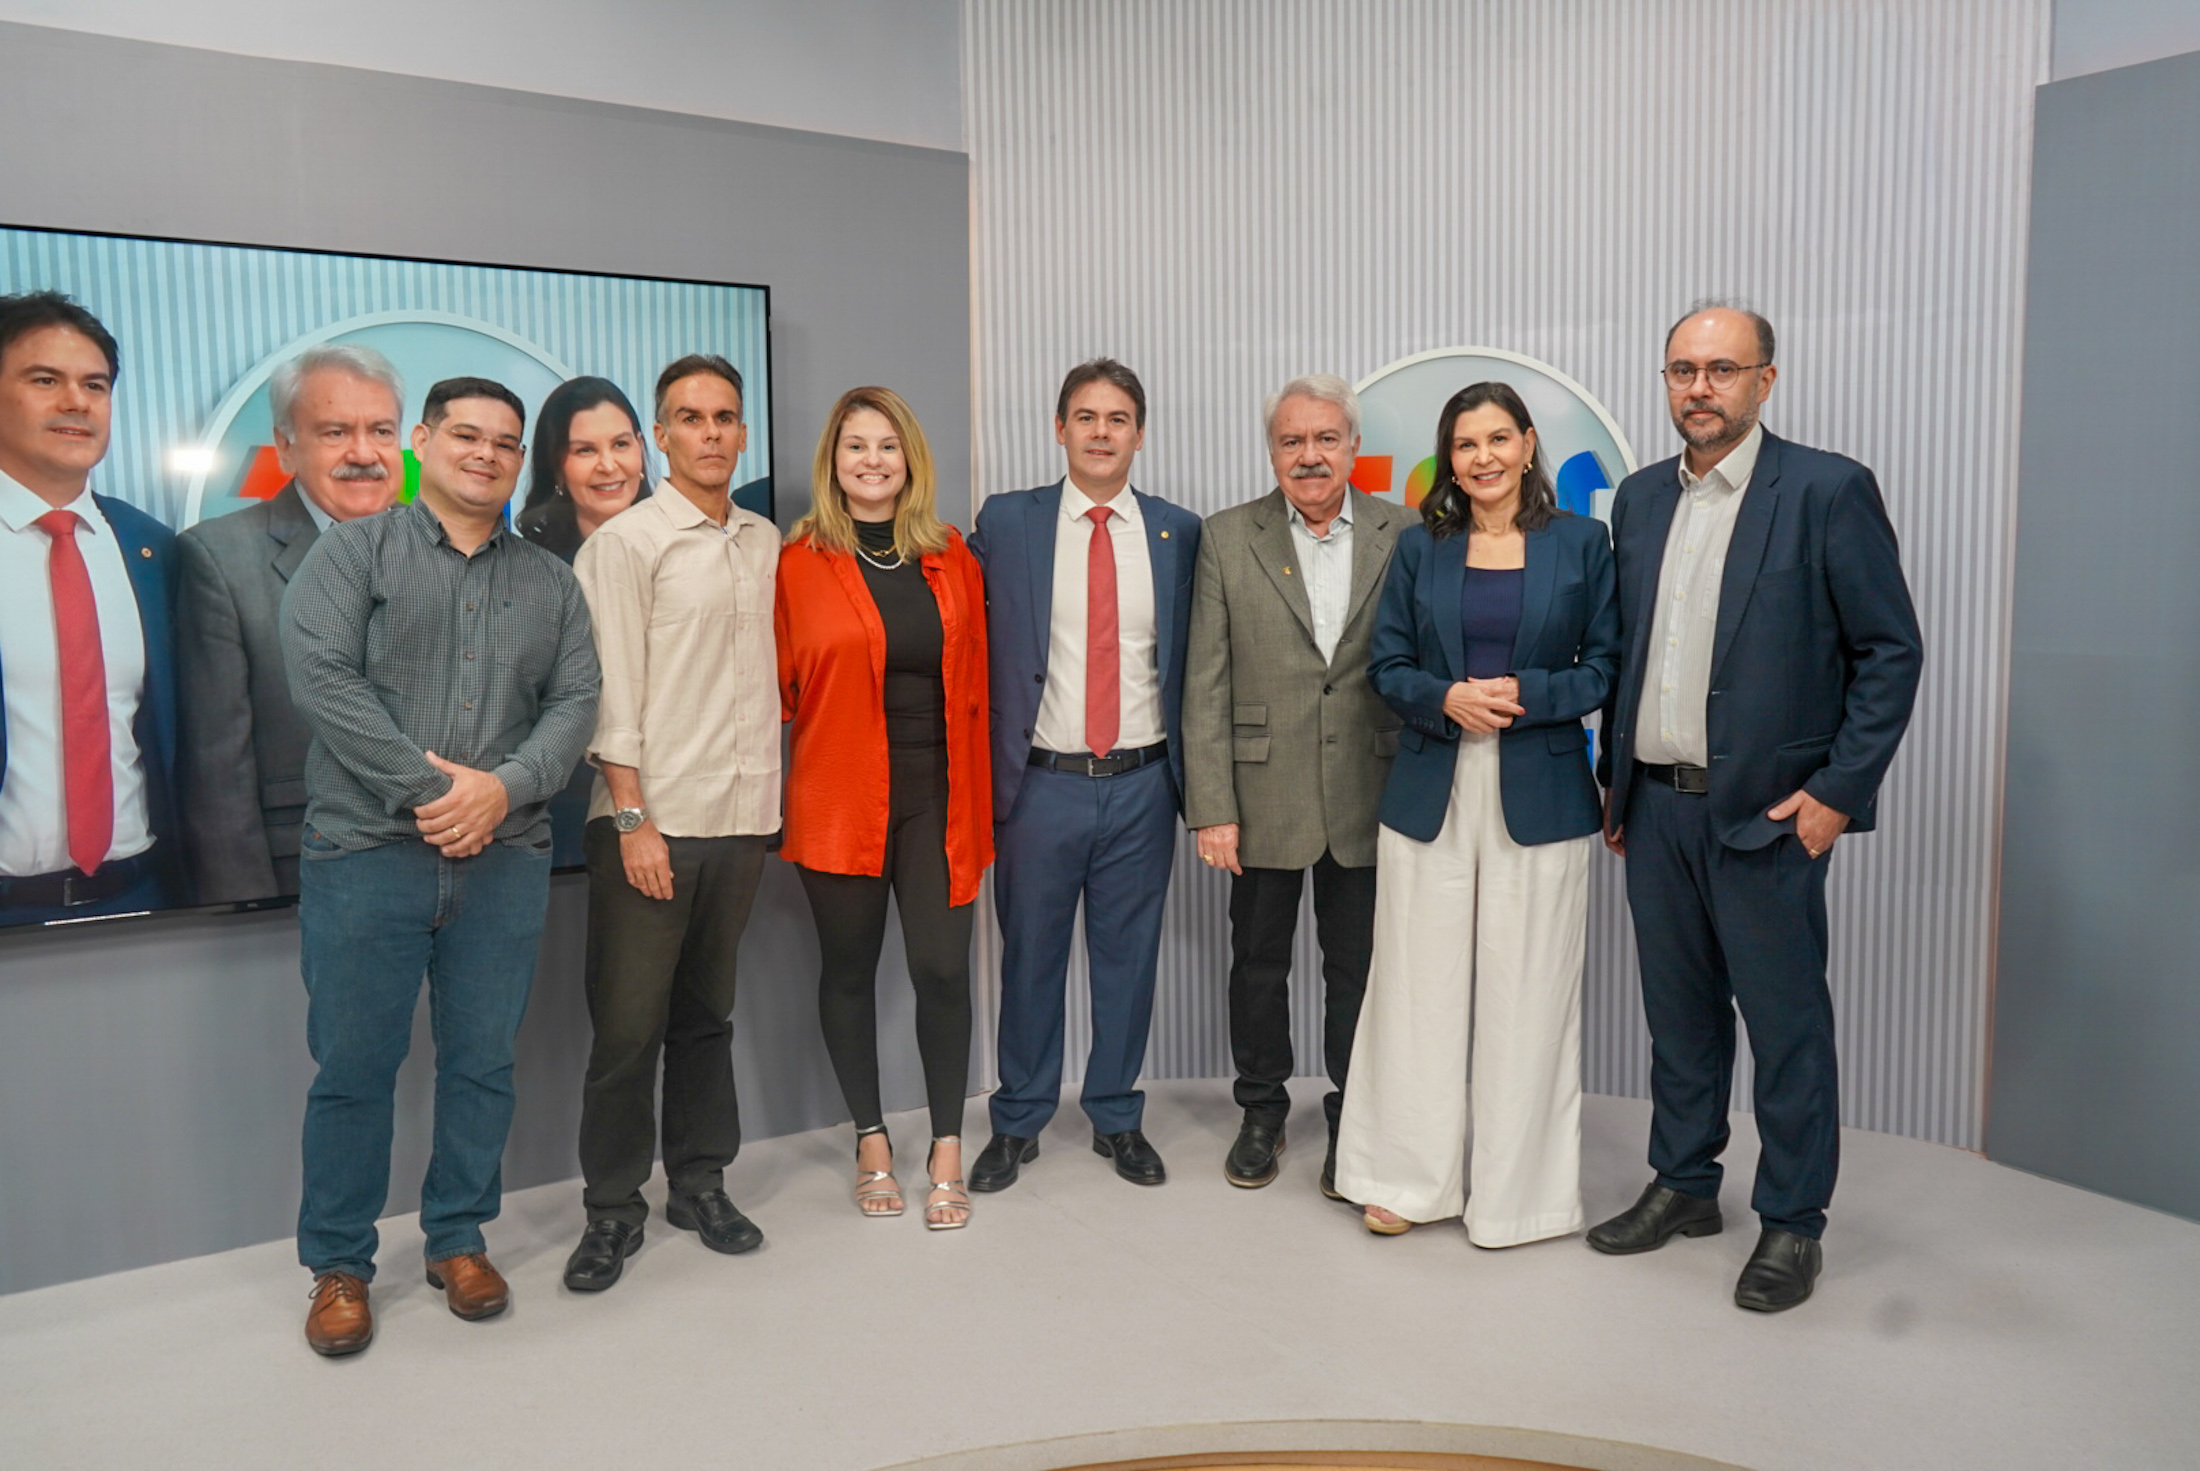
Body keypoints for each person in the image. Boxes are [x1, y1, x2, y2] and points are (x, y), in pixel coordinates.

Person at [1590, 303, 1921, 1311]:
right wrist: (1615, 783)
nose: (1700, 388)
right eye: (1682, 369)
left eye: (1722, 369)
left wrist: (1834, 796)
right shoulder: (1641, 499)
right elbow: (1628, 651)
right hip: (1656, 812)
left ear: (1764, 381)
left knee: (1785, 1028)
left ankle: (1791, 1222)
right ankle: (1686, 1182)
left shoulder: (1825, 489)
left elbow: (1889, 651)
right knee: (1678, 1019)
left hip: (1769, 817)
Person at [281, 376, 598, 1355]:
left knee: (482, 1062)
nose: (486, 454)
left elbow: (575, 702)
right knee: (353, 1068)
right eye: (466, 434)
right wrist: (439, 794)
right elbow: (322, 680)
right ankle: (340, 1264)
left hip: (503, 860)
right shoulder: (353, 553)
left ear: (520, 460)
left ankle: (458, 1237)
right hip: (364, 853)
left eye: (505, 442)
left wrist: (504, 791)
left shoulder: (551, 582)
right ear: (422, 441)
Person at [1332, 380, 1619, 1248]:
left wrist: (1524, 694)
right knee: (1414, 991)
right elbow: (1387, 667)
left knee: (1530, 995)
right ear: (1448, 461)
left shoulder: (1584, 543)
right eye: (1465, 444)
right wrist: (1446, 697)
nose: (1483, 457)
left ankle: (1519, 1198)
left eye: (1499, 438)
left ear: (1528, 445)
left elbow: (1605, 668)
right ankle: (1403, 1179)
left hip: (1545, 793)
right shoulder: (1420, 548)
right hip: (1431, 788)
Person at [560, 355, 777, 1291]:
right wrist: (633, 818)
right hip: (651, 822)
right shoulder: (624, 544)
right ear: (662, 435)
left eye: (724, 417)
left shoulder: (764, 541)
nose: (710, 433)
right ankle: (612, 1210)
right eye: (690, 417)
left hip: (742, 819)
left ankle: (700, 1183)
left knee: (706, 1018)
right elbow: (607, 694)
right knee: (626, 1030)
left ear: (741, 432)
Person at [967, 358, 1202, 1192]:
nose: (1102, 433)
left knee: (1127, 961)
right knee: (1030, 958)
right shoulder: (1008, 521)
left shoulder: (1179, 532)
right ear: (1060, 428)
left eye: (1118, 419)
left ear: (1140, 434)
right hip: (1040, 783)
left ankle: (1116, 1115)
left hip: (1143, 781)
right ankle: (1018, 1119)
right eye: (1087, 417)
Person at [1182, 374, 1416, 1194]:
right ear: (1272, 450)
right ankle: (1262, 1109)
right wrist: (1212, 807)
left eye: (1325, 439)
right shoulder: (1225, 536)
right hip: (1258, 795)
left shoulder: (1405, 532)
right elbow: (1204, 681)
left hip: (1372, 787)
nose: (1309, 455)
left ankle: (1357, 1113)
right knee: (1258, 964)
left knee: (1360, 967)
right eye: (1292, 441)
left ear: (1354, 446)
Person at [776, 387, 991, 1229]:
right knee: (848, 970)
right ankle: (869, 1138)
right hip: (839, 797)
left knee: (942, 969)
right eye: (855, 446)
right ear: (833, 462)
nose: (872, 460)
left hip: (939, 795)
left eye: (887, 445)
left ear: (911, 460)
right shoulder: (797, 563)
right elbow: (774, 688)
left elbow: (979, 681)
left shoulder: (952, 555)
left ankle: (946, 1146)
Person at [176, 344, 405, 905]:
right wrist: (245, 909)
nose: (363, 453)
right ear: (285, 446)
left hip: (448, 869)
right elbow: (217, 772)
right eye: (335, 432)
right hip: (299, 878)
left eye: (381, 431)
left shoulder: (445, 547)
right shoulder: (219, 558)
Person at [0, 290, 179, 927]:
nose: (76, 401)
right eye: (45, 380)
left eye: (95, 385)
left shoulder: (152, 548)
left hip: (142, 898)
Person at [517, 376, 654, 870]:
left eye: (620, 444)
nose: (608, 465)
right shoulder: (528, 569)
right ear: (557, 465)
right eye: (584, 450)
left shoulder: (684, 549)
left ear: (642, 448)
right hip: (561, 802)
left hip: (677, 794)